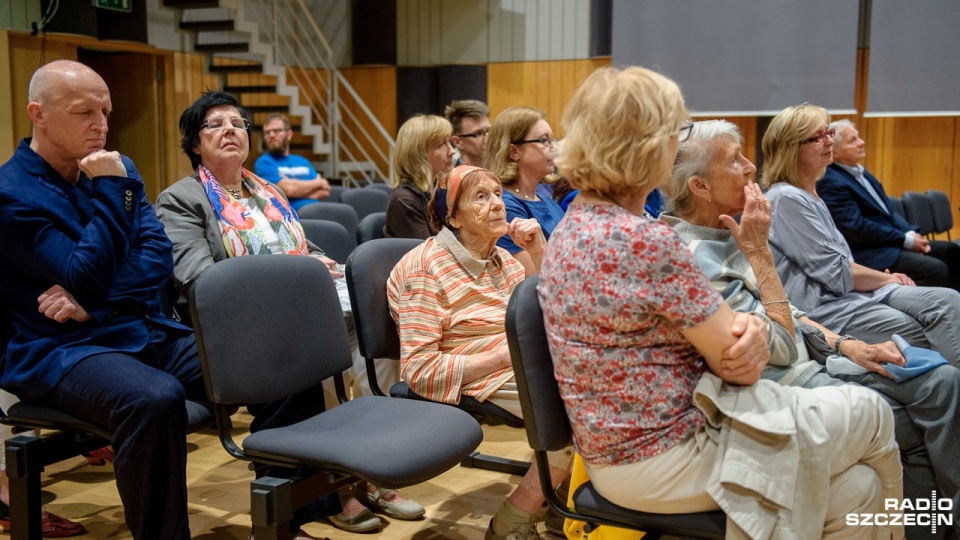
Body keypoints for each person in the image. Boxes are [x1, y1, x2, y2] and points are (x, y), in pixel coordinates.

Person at [539, 65, 903, 538]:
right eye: (678, 129)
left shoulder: (574, 226)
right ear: (653, 146)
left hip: (612, 453)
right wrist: (748, 333)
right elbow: (746, 364)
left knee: (857, 489)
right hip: (671, 454)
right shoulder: (646, 241)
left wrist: (747, 334)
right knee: (872, 413)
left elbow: (740, 342)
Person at [662, 119, 960, 534]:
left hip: (817, 359)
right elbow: (777, 350)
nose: (751, 167)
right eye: (735, 160)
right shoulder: (691, 256)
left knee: (943, 380)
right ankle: (929, 528)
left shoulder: (731, 230)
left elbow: (791, 315)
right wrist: (761, 254)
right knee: (912, 416)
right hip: (777, 389)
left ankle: (940, 523)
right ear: (700, 187)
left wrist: (852, 347)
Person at [155, 91, 424, 537]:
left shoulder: (267, 192)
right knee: (307, 363)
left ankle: (357, 467)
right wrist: (292, 279)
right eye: (215, 124)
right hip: (235, 327)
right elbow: (198, 280)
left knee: (370, 331)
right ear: (194, 144)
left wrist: (325, 267)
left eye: (238, 123)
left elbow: (306, 250)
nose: (230, 130)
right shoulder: (182, 200)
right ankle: (324, 494)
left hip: (294, 316)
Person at [0, 59, 208, 540]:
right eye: (84, 112)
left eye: (106, 111)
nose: (101, 125)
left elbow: (158, 255)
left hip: (126, 326)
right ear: (39, 113)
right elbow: (82, 272)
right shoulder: (11, 193)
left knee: (257, 355)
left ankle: (307, 509)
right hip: (59, 349)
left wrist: (96, 302)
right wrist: (113, 188)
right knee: (155, 398)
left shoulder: (117, 167)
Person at [387, 165, 569, 540]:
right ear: (453, 216)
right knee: (581, 410)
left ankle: (562, 510)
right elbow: (419, 370)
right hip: (478, 371)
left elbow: (557, 309)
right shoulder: (426, 270)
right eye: (480, 197)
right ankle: (511, 521)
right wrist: (508, 355)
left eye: (498, 194)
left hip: (518, 362)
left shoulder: (500, 258)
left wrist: (537, 250)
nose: (498, 205)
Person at [762, 104, 960, 368]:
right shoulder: (787, 198)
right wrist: (887, 278)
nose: (829, 140)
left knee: (950, 300)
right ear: (791, 148)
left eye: (828, 132)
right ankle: (943, 392)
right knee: (931, 325)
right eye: (817, 137)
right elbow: (836, 275)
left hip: (850, 296)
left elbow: (842, 264)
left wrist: (885, 281)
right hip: (828, 310)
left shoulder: (809, 193)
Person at [818, 119, 960, 291]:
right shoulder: (831, 181)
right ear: (835, 151)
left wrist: (910, 233)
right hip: (871, 251)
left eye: (858, 137)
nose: (861, 143)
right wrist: (905, 240)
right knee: (936, 269)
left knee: (952, 251)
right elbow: (856, 227)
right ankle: (922, 309)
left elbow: (888, 212)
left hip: (889, 242)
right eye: (852, 140)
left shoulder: (860, 172)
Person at [484, 107, 565, 275]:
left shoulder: (547, 201)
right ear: (514, 151)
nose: (554, 147)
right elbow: (532, 280)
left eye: (552, 139)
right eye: (544, 140)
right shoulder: (504, 207)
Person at [384, 114, 454, 239]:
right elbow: (426, 255)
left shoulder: (441, 191)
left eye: (449, 142)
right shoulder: (404, 201)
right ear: (419, 155)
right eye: (441, 145)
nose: (452, 151)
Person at [253, 113, 332, 210]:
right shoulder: (263, 163)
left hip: (318, 209)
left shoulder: (303, 161)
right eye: (267, 132)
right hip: (293, 217)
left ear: (289, 135)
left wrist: (296, 192)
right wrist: (318, 182)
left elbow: (325, 191)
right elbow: (288, 190)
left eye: (277, 131)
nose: (272, 135)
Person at [445, 99, 491, 167]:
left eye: (489, 130)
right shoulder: (448, 176)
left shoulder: (504, 172)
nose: (487, 138)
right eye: (478, 133)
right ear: (457, 142)